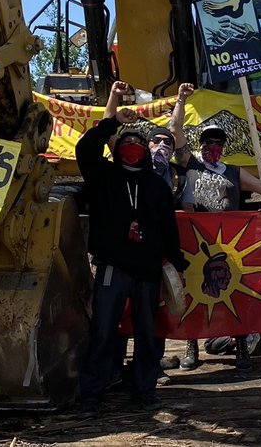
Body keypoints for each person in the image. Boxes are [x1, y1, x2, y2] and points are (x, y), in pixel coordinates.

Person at [75, 84, 188, 416]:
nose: (132, 148)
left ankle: (144, 390)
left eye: (138, 143)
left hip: (147, 272)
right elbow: (85, 149)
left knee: (147, 334)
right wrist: (113, 123)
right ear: (118, 149)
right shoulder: (103, 176)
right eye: (127, 143)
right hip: (112, 268)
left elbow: (169, 228)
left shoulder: (157, 186)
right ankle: (92, 394)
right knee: (103, 331)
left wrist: (177, 264)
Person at [180, 124, 261, 370]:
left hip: (228, 244)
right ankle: (191, 345)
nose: (214, 146)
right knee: (193, 291)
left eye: (219, 142)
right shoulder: (190, 165)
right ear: (200, 144)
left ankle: (242, 343)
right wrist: (179, 105)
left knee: (235, 291)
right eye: (209, 141)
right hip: (196, 244)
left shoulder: (233, 172)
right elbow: (176, 131)